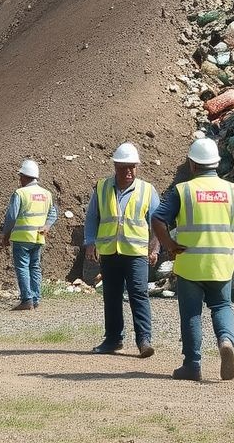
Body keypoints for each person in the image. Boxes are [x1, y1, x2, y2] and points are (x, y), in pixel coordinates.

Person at [152, 137, 234, 382]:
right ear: (217, 164)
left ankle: (192, 365)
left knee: (191, 314)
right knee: (221, 306)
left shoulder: (183, 191)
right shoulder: (233, 191)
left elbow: (158, 218)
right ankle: (226, 341)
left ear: (192, 165)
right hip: (221, 264)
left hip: (190, 264)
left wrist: (169, 245)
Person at [84, 142, 160, 358]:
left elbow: (157, 223)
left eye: (132, 167)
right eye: (123, 167)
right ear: (115, 166)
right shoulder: (102, 188)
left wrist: (154, 248)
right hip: (110, 252)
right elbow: (92, 217)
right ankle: (113, 339)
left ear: (137, 167)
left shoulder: (147, 190)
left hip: (136, 253)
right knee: (112, 295)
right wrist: (90, 242)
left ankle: (144, 341)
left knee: (139, 294)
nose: (128, 172)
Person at [0, 159, 57, 310]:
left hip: (22, 238)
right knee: (35, 267)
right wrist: (47, 226)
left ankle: (27, 300)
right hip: (38, 238)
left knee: (23, 267)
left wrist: (5, 234)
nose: (20, 179)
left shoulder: (20, 193)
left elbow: (11, 216)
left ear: (25, 176)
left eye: (21, 176)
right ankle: (36, 299)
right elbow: (53, 213)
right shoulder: (46, 194)